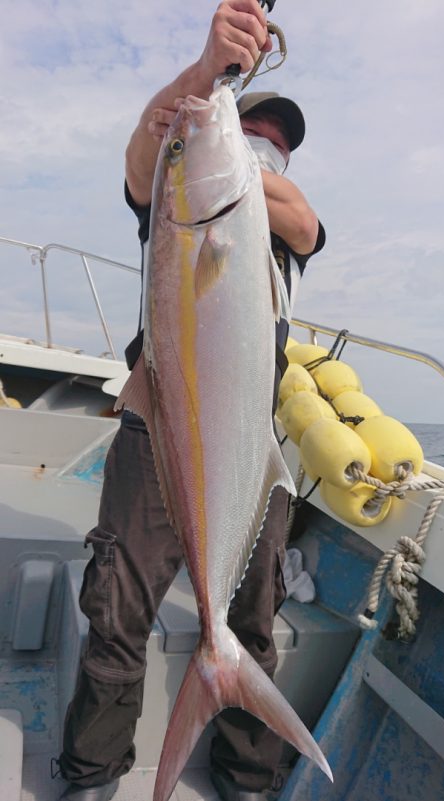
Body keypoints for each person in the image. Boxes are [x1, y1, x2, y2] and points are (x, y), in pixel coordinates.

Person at [56, 2, 325, 800]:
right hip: (156, 429)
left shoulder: (276, 222)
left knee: (251, 618)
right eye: (254, 130)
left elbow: (302, 220)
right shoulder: (174, 203)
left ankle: (246, 776)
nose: (263, 143)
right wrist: (203, 81)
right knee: (118, 608)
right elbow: (146, 159)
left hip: (248, 441)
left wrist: (239, 158)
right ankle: (93, 774)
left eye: (276, 144)